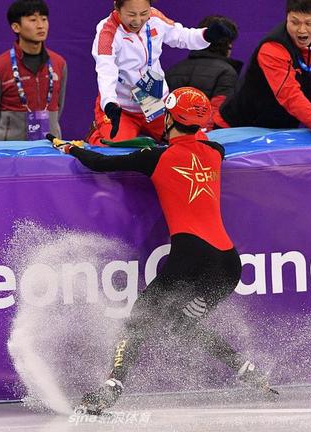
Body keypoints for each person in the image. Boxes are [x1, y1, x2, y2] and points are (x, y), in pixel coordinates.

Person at [56, 87, 277, 415]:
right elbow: (198, 143)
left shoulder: (155, 157)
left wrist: (71, 147)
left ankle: (111, 388)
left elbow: (99, 161)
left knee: (139, 319)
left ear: (172, 118)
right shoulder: (215, 151)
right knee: (180, 324)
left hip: (191, 259)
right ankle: (249, 373)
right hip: (228, 265)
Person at [87, 0, 234, 145]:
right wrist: (109, 104)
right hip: (121, 109)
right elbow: (106, 71)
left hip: (155, 104)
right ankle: (97, 132)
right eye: (131, 14)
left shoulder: (155, 18)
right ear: (117, 8)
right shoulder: (107, 32)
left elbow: (181, 36)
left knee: (196, 143)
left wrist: (206, 35)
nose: (138, 21)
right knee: (114, 150)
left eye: (144, 13)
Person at [218, 0, 311, 149]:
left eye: (309, 23)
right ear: (287, 17)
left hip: (280, 130)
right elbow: (289, 94)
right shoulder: (272, 48)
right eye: (295, 22)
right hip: (237, 128)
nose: (301, 30)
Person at [0, 0, 67, 141]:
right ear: (16, 27)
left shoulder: (59, 63)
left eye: (44, 19)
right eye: (33, 20)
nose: (41, 25)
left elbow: (59, 106)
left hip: (49, 148)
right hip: (10, 150)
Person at [166, 15, 242, 131]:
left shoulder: (173, 70)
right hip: (205, 141)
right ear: (228, 45)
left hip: (172, 139)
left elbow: (164, 113)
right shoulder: (227, 73)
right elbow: (217, 115)